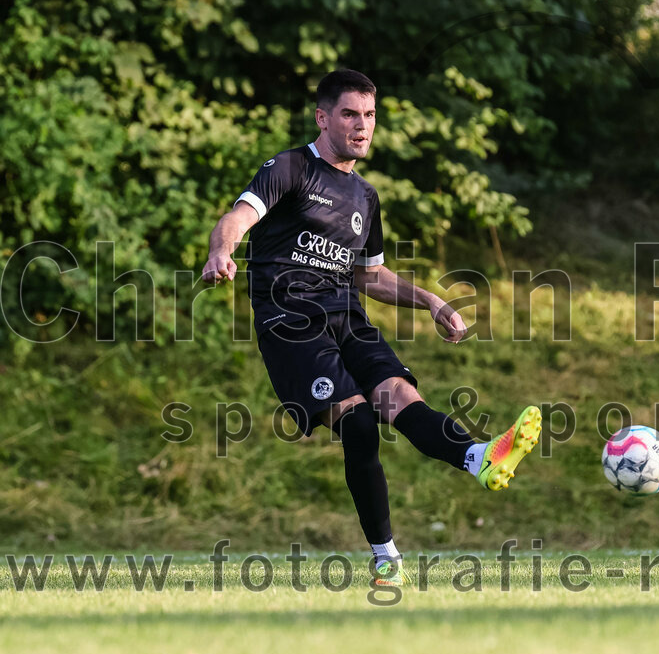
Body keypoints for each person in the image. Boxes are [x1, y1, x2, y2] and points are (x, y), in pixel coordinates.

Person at [200, 69, 542, 585]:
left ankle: (480, 458)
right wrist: (220, 251)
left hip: (347, 318)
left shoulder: (365, 197)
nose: (362, 126)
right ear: (323, 117)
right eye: (349, 114)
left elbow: (369, 275)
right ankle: (387, 557)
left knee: (401, 398)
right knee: (359, 424)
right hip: (291, 323)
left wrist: (429, 301)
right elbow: (237, 217)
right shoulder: (291, 168)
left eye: (370, 116)